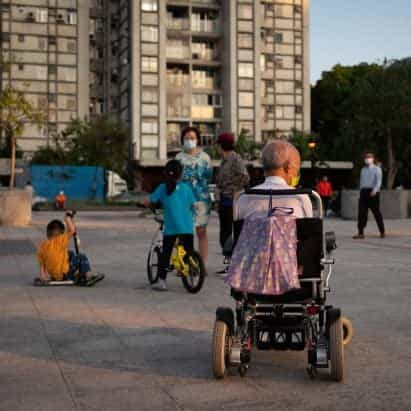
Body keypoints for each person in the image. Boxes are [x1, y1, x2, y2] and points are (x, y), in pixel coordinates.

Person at [145, 160, 196, 291]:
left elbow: (150, 201)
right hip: (187, 227)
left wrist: (143, 204)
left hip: (171, 227)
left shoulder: (163, 188)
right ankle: (192, 272)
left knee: (166, 254)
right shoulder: (186, 188)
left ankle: (162, 282)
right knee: (189, 252)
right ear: (181, 173)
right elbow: (193, 205)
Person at [235, 140, 313, 220]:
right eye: (297, 167)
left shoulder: (244, 197)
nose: (297, 172)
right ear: (288, 167)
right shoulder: (300, 198)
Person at [214, 132, 250, 274]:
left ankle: (235, 265)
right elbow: (218, 182)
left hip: (233, 203)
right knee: (224, 234)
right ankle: (230, 263)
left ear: (221, 145)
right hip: (224, 202)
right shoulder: (224, 160)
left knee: (231, 235)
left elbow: (245, 177)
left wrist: (234, 190)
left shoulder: (235, 159)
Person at [176, 127, 212, 262]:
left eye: (192, 138)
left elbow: (209, 176)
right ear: (182, 140)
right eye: (186, 138)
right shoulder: (178, 158)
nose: (189, 140)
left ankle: (201, 264)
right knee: (183, 233)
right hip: (182, 201)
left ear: (197, 139)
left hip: (201, 200)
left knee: (201, 232)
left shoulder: (205, 158)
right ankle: (183, 263)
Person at [37, 211, 93, 283]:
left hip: (54, 275)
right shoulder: (60, 240)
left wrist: (42, 276)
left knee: (70, 253)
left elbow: (42, 264)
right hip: (64, 274)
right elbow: (72, 230)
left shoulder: (42, 246)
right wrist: (67, 218)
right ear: (60, 234)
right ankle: (87, 276)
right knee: (81, 256)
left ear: (48, 234)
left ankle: (75, 273)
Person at [353, 152, 385, 239]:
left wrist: (375, 190)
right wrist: (360, 192)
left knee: (376, 212)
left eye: (369, 157)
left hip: (373, 192)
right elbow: (362, 182)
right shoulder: (363, 170)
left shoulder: (377, 169)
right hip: (364, 192)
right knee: (361, 213)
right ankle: (360, 233)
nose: (367, 159)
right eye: (366, 157)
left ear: (373, 158)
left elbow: (379, 181)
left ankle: (382, 231)